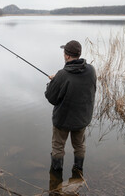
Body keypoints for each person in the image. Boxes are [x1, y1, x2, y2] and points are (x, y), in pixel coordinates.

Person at [45, 40, 96, 180]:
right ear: (79, 54)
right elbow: (85, 86)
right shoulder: (91, 70)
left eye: (64, 53)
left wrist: (53, 83)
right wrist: (57, 80)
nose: (63, 55)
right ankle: (78, 171)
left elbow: (51, 98)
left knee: (58, 147)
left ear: (67, 56)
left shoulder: (62, 75)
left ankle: (56, 177)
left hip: (63, 120)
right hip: (82, 119)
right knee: (79, 145)